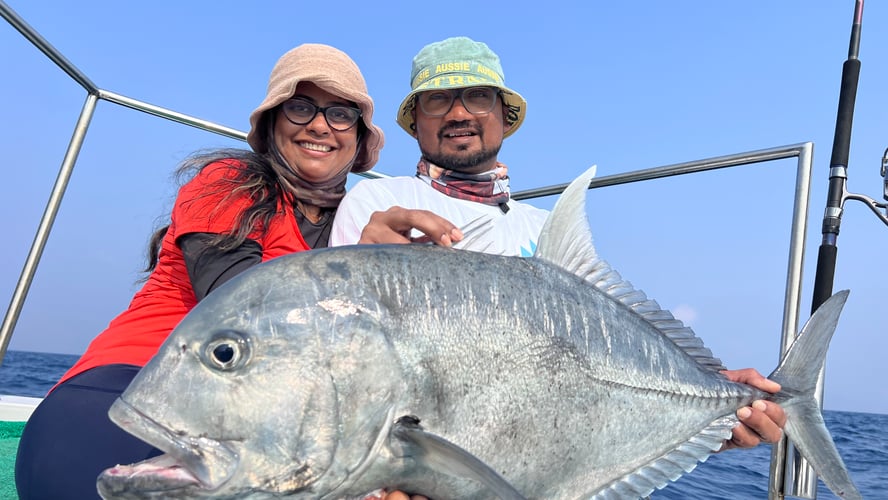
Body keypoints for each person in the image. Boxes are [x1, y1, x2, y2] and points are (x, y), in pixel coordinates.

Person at [331, 36, 786, 457]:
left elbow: (600, 362)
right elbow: (346, 364)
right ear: (415, 123)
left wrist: (708, 401)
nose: (458, 114)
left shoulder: (545, 228)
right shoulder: (379, 203)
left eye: (478, 96)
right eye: (437, 100)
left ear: (504, 118)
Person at [15, 43, 384, 500]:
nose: (319, 124)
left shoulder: (357, 222)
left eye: (340, 114)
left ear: (358, 137)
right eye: (300, 106)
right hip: (128, 389)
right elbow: (246, 312)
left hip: (260, 427)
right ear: (272, 123)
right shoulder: (227, 182)